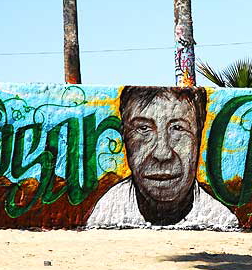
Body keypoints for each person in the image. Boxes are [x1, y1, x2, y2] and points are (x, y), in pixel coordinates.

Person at [86, 86, 238, 229]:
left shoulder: (223, 217)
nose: (162, 154)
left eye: (178, 128)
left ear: (199, 136)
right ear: (124, 136)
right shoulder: (106, 209)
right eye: (143, 128)